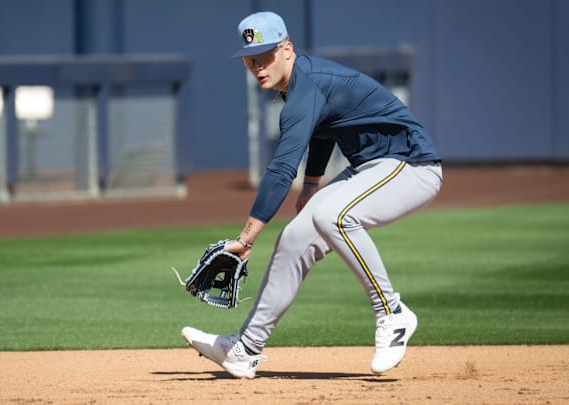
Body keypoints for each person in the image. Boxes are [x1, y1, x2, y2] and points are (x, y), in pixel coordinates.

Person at [181, 11, 442, 379]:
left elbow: (280, 169)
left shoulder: (307, 87)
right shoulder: (303, 84)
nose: (258, 66)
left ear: (287, 49)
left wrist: (246, 238)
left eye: (266, 55)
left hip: (411, 165)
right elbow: (325, 130)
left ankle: (392, 313)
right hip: (371, 168)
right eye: (250, 60)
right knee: (296, 237)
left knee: (332, 215)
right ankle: (245, 348)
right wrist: (313, 186)